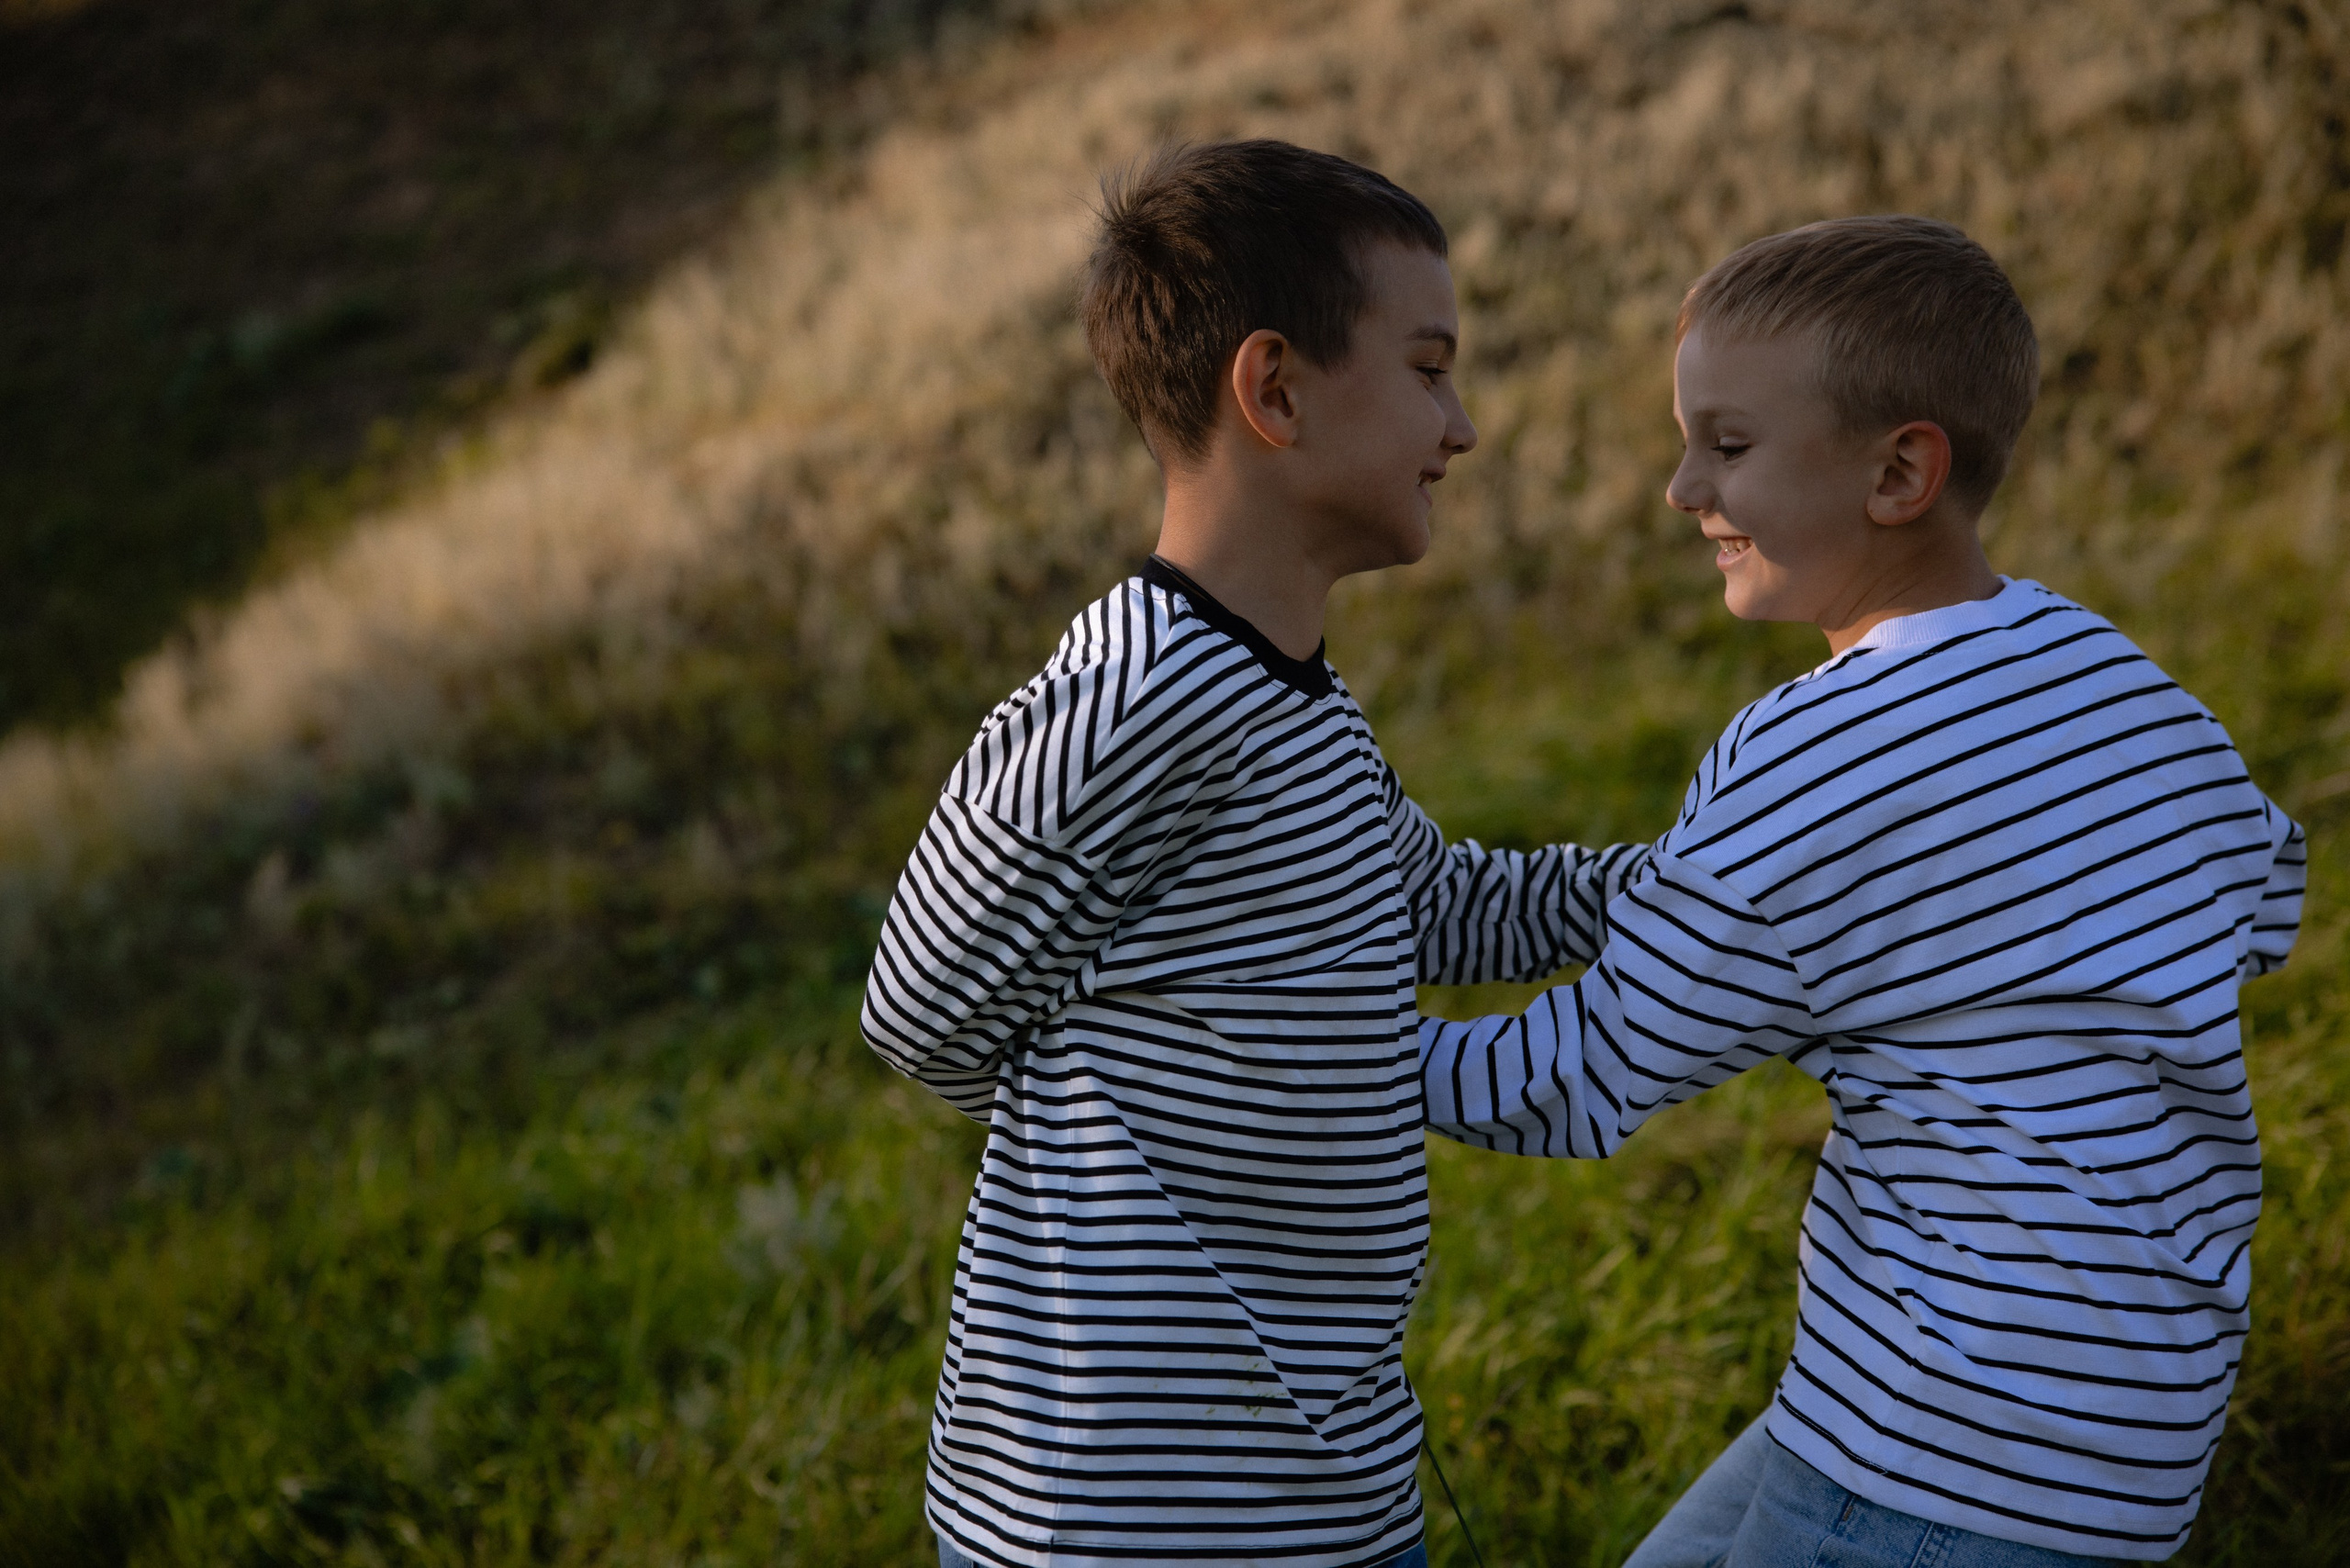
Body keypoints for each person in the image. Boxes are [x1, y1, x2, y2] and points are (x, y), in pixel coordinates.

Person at [1419, 216, 2308, 1567]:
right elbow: (2269, 891)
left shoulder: (1815, 750)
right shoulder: (2112, 674)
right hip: (2125, 1430)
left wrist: (1288, 1038)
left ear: (1900, 471)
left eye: (1726, 447)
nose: (1679, 489)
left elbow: (1574, 1079)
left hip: (1944, 1441)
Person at [861, 140, 1647, 1568]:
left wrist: (1703, 878)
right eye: (1426, 368)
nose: (1460, 425)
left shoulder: (1299, 701)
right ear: (1274, 391)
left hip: (1320, 1481)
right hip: (1129, 1508)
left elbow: (1436, 910)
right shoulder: (1140, 700)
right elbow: (920, 1009)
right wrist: (1116, 1127)